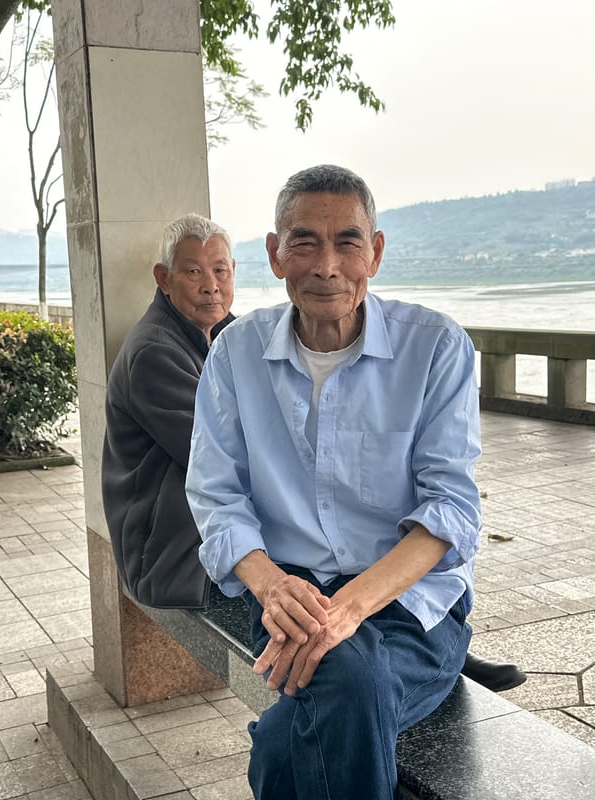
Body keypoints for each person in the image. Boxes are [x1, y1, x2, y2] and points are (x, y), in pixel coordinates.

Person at [186, 165, 526, 798]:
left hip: (410, 600)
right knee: (351, 681)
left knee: (300, 729)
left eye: (346, 241)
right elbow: (215, 494)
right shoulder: (235, 356)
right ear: (275, 254)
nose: (326, 264)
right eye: (304, 242)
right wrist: (273, 584)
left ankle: (277, 748)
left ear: (375, 252)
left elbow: (450, 507)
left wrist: (351, 607)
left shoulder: (436, 347)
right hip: (290, 595)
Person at [102, 213, 235, 608]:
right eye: (194, 271)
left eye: (220, 270)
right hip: (168, 556)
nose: (211, 286)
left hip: (205, 530)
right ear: (163, 278)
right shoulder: (154, 352)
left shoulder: (229, 333)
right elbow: (219, 456)